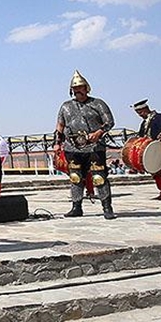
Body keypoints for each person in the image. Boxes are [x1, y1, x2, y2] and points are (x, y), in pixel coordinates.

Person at [54, 70, 116, 219]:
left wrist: (99, 133)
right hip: (72, 147)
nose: (77, 91)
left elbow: (109, 122)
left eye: (80, 87)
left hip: (94, 147)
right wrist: (57, 143)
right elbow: (60, 126)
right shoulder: (65, 106)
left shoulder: (98, 104)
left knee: (99, 177)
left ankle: (107, 208)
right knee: (75, 177)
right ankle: (76, 207)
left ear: (86, 88)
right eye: (75, 88)